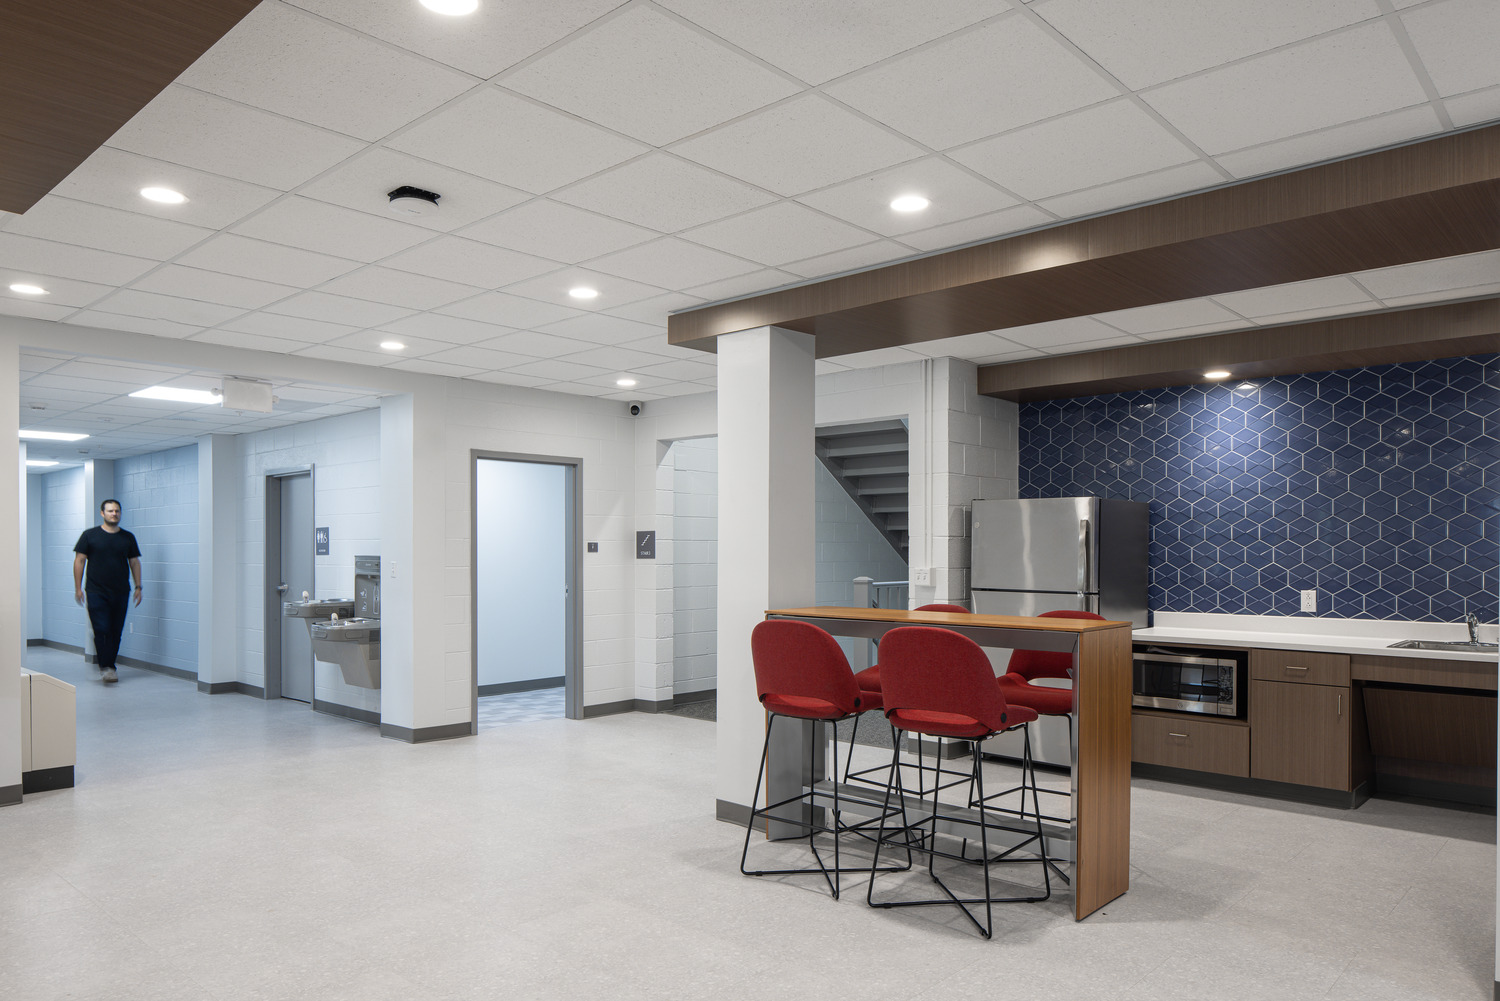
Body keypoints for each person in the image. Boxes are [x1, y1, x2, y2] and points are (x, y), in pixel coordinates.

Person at [73, 499, 142, 684]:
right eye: (110, 511)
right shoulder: (90, 535)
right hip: (96, 591)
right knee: (101, 629)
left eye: (117, 511)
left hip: (121, 591)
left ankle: (109, 666)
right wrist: (78, 588)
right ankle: (107, 667)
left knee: (115, 631)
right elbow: (80, 560)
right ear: (102, 513)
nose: (114, 514)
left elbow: (134, 562)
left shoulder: (127, 537)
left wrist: (138, 587)